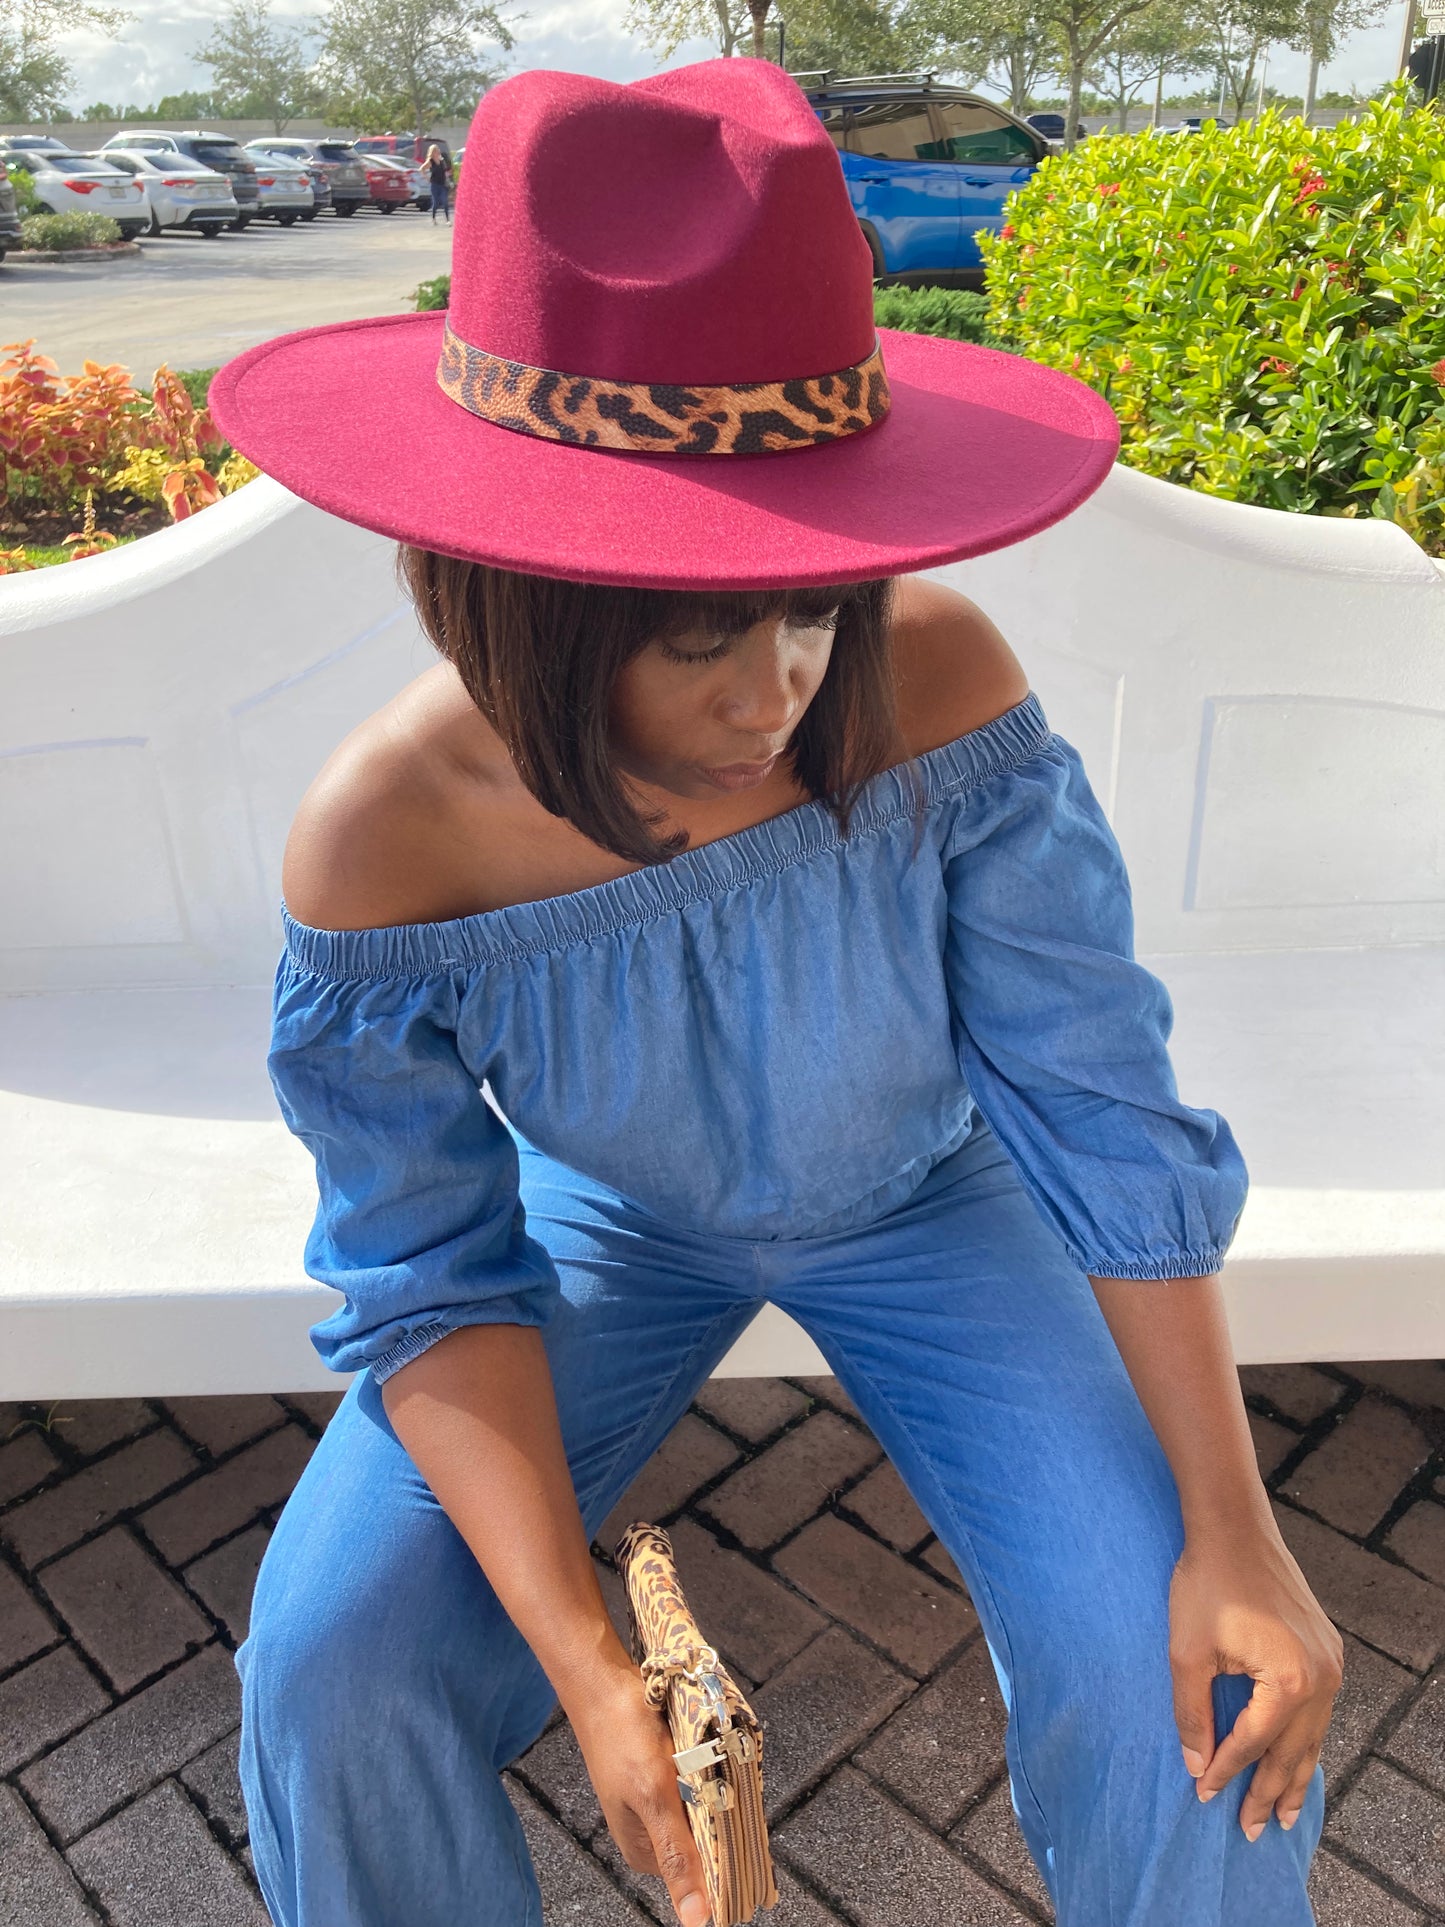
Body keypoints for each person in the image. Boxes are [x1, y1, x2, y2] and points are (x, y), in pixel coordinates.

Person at [208, 57, 1342, 1927]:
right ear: (514, 589)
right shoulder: (386, 840)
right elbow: (424, 1268)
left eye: (819, 598)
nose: (778, 690)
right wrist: (591, 1669)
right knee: (332, 1670)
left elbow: (1098, 1105)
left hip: (935, 1191)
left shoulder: (938, 681)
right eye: (694, 630)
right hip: (605, 1223)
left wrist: (1242, 1528)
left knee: (1202, 1683)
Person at [423, 140, 450, 222]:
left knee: (445, 201)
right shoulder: (430, 161)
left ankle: (447, 219)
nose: (437, 151)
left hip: (442, 184)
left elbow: (445, 171)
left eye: (437, 150)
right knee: (436, 202)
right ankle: (433, 218)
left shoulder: (442, 160)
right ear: (432, 152)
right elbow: (422, 169)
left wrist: (447, 176)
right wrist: (427, 178)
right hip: (434, 185)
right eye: (435, 150)